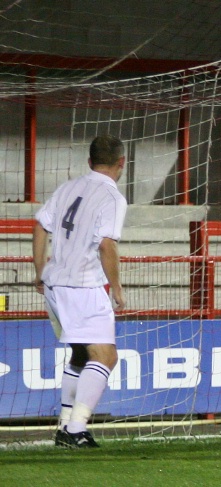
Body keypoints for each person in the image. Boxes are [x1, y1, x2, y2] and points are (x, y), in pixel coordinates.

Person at [33, 134, 128, 448]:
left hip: (55, 283)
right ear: (122, 163)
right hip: (82, 286)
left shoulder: (68, 187)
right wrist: (115, 287)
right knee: (105, 356)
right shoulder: (112, 197)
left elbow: (39, 225)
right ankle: (75, 430)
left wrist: (38, 272)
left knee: (79, 354)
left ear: (89, 162)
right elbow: (106, 244)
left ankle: (64, 424)